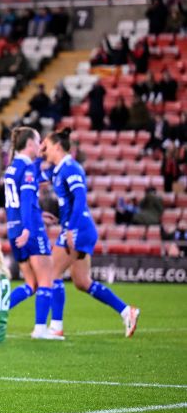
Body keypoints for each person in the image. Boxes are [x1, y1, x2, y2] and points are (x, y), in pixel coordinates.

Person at [40, 128, 140, 338]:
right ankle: (126, 311)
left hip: (78, 229)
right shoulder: (57, 170)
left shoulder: (72, 168)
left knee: (51, 273)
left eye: (46, 146)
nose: (43, 149)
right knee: (82, 282)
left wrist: (70, 229)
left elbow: (80, 200)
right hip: (78, 229)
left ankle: (56, 327)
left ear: (57, 146)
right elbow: (33, 176)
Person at [4, 127, 58, 339]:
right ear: (29, 145)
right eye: (38, 142)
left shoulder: (11, 167)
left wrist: (37, 215)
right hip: (30, 231)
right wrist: (29, 226)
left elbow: (18, 202)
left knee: (30, 284)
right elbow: (26, 200)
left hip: (13, 228)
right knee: (45, 280)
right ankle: (40, 329)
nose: (40, 146)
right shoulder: (27, 168)